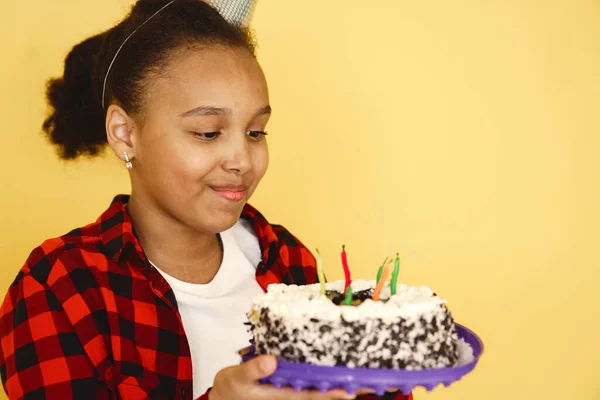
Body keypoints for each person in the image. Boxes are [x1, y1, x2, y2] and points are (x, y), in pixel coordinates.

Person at [0, 1, 413, 399]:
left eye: (256, 132)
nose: (242, 161)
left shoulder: (288, 262)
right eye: (208, 132)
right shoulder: (59, 286)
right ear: (125, 134)